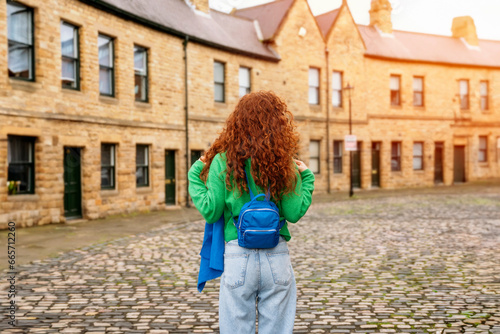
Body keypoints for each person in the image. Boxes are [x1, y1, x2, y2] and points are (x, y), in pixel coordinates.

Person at [188, 90, 315, 334]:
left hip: (237, 256)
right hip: (276, 256)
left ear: (237, 122)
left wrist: (195, 174)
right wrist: (307, 177)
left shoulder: (222, 161)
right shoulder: (283, 161)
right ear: (278, 123)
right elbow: (293, 212)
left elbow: (211, 211)